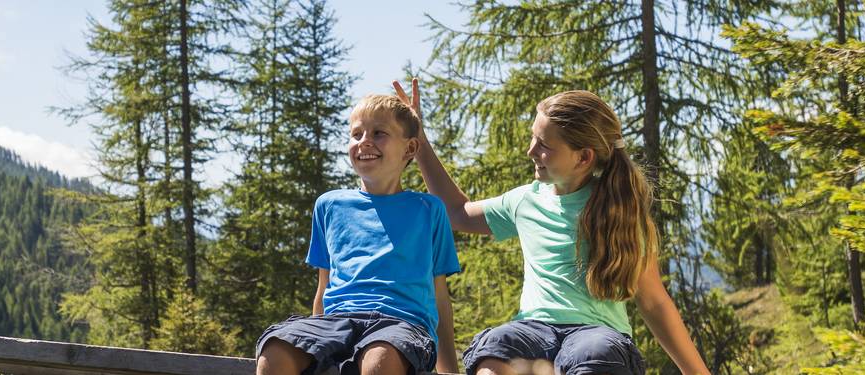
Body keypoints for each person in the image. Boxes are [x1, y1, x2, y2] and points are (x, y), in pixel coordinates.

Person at [397, 79, 712, 375]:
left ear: (583, 157)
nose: (531, 150)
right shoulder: (525, 201)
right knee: (494, 351)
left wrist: (697, 372)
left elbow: (654, 301)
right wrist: (420, 141)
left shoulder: (619, 210)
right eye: (533, 137)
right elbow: (458, 212)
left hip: (596, 334)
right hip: (532, 328)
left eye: (544, 144)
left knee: (594, 356)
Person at [255, 94, 463, 375]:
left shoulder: (428, 210)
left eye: (379, 133)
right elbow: (323, 288)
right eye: (356, 134)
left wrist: (448, 370)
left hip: (401, 326)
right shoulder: (329, 206)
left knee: (379, 361)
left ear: (410, 148)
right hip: (337, 323)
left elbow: (439, 296)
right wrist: (317, 348)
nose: (364, 141)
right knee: (274, 352)